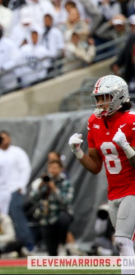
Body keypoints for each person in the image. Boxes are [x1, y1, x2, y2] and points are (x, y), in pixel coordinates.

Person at [69, 75, 135, 272]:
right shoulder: (94, 122)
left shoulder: (131, 121)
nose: (99, 103)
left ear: (118, 97)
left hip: (132, 189)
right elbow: (96, 166)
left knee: (123, 242)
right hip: (114, 191)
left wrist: (126, 147)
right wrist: (77, 152)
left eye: (104, 98)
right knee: (125, 243)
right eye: (98, 98)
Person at [28, 160, 74, 256]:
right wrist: (40, 187)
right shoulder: (43, 181)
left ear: (61, 169)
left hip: (60, 214)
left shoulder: (65, 183)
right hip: (46, 217)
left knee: (63, 220)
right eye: (50, 168)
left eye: (55, 168)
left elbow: (66, 202)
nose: (52, 170)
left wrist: (54, 189)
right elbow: (33, 199)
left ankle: (63, 244)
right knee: (52, 253)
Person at [0, 131, 34, 252]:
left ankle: (28, 245)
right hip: (1, 193)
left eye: (4, 138)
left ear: (9, 138)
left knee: (17, 218)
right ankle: (11, 247)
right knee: (3, 220)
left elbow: (25, 168)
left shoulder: (17, 152)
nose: (3, 141)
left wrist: (21, 185)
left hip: (15, 190)